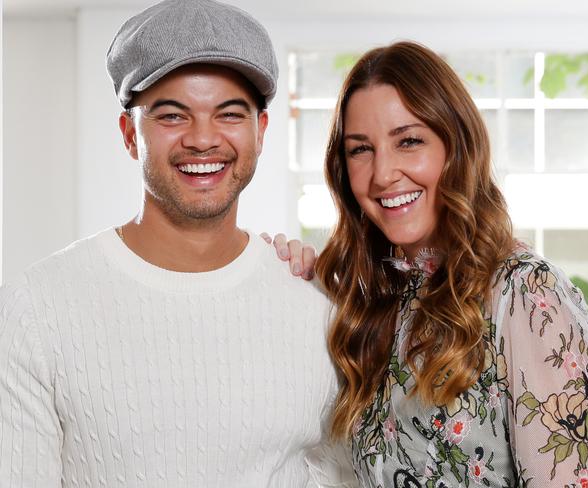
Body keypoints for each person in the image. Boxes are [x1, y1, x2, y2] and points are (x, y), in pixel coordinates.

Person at [0, 0, 355, 486]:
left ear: (261, 132)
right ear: (130, 134)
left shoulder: (316, 302)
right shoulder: (39, 306)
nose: (203, 139)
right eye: (172, 116)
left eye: (229, 114)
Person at [272, 41, 588, 487]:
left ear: (457, 146)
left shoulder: (527, 294)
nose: (383, 173)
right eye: (360, 149)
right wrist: (291, 282)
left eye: (409, 141)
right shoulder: (375, 303)